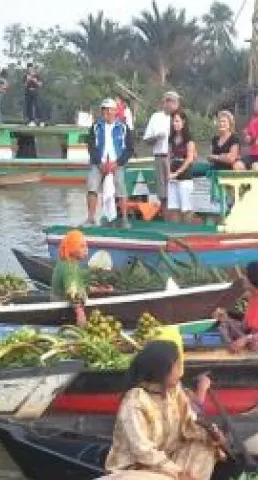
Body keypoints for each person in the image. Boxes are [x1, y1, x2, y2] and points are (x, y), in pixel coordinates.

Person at [106, 340, 226, 480]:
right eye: (176, 367)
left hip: (167, 458)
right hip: (137, 470)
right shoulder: (134, 402)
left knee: (206, 447)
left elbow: (189, 424)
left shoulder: (174, 390)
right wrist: (178, 474)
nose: (180, 373)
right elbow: (143, 451)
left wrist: (213, 436)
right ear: (160, 371)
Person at [85, 98, 135, 227]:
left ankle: (124, 219)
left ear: (115, 111)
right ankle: (90, 218)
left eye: (110, 109)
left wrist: (117, 163)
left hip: (117, 163)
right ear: (101, 111)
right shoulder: (95, 127)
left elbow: (129, 149)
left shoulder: (123, 127)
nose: (107, 112)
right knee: (92, 187)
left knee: (121, 188)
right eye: (104, 109)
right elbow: (91, 147)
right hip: (98, 163)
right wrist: (99, 163)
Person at [142, 91, 177, 208]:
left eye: (175, 102)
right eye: (170, 101)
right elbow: (146, 140)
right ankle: (164, 216)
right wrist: (157, 137)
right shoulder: (156, 117)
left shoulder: (179, 118)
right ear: (164, 102)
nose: (172, 104)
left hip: (176, 158)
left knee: (176, 190)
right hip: (160, 157)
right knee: (162, 193)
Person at [52, 230, 91, 326]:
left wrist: (97, 289)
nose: (86, 249)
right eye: (81, 246)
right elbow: (71, 291)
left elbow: (78, 283)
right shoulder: (69, 268)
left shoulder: (68, 262)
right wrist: (80, 313)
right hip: (63, 306)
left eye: (86, 246)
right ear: (72, 249)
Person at [165, 109, 197, 223]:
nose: (175, 124)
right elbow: (168, 156)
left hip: (185, 175)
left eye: (177, 121)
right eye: (174, 121)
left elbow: (189, 158)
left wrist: (177, 173)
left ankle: (187, 229)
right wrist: (169, 172)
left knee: (186, 207)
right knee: (174, 206)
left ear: (183, 122)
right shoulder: (172, 138)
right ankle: (174, 229)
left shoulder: (189, 139)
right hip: (173, 174)